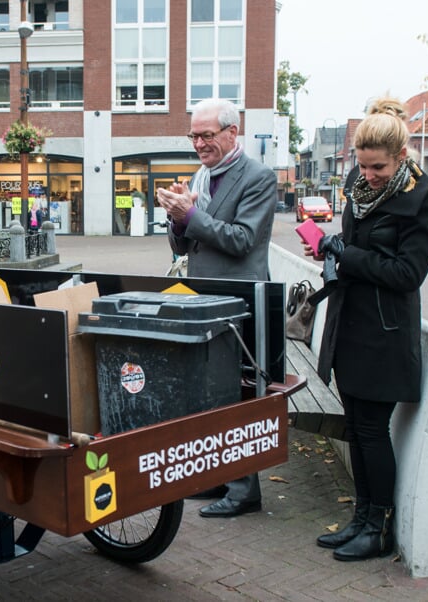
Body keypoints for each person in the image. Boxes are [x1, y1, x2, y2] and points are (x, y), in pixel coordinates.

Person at [303, 95, 428, 561]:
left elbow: (407, 275)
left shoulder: (423, 200)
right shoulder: (358, 185)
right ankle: (361, 518)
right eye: (361, 167)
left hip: (385, 334)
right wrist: (330, 246)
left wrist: (346, 254)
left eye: (377, 168)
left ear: (401, 156)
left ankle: (378, 528)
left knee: (371, 429)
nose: (367, 176)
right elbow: (358, 243)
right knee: (357, 428)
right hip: (350, 323)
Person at [155, 97, 277, 519]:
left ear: (232, 132)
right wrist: (176, 218)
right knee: (207, 389)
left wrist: (190, 214)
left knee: (237, 394)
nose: (199, 144)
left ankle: (244, 490)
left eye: (207, 135)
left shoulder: (258, 178)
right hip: (204, 296)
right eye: (194, 136)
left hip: (238, 299)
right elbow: (187, 244)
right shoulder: (202, 176)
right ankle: (216, 477)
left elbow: (242, 239)